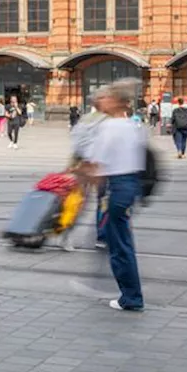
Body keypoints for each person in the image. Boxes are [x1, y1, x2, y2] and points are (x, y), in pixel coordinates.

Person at [84, 80, 147, 310]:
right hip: (130, 186)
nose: (102, 100)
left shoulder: (109, 127)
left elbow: (97, 164)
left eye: (106, 97)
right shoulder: (135, 125)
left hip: (116, 187)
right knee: (123, 242)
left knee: (119, 247)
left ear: (116, 102)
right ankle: (131, 294)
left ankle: (131, 298)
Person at [67, 87, 110, 251]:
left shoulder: (85, 120)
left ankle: (67, 234)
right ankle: (102, 235)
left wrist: (72, 165)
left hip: (85, 166)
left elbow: (76, 144)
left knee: (79, 202)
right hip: (98, 168)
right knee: (101, 202)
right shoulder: (108, 121)